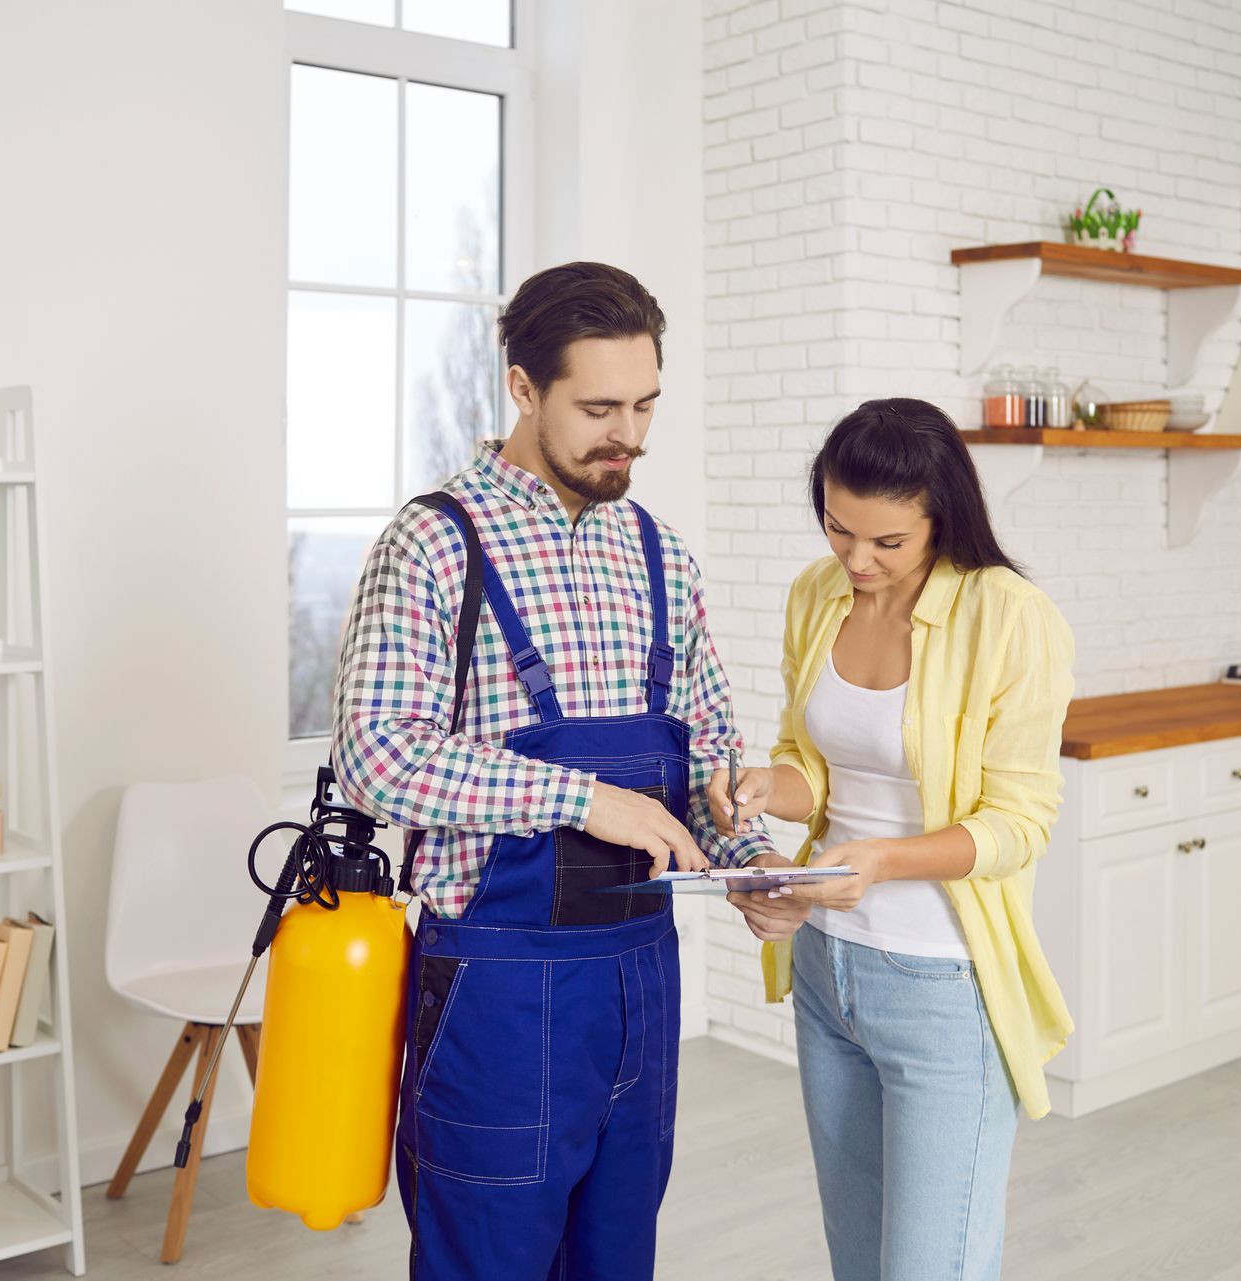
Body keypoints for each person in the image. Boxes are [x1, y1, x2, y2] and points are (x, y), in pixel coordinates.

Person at [330, 261, 776, 1280]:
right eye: (600, 407)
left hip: (640, 984)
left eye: (647, 404)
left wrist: (751, 864)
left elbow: (707, 756)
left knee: (617, 1262)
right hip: (498, 989)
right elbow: (375, 755)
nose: (630, 433)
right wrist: (580, 798)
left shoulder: (661, 556)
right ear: (524, 389)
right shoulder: (437, 543)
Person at [710, 397, 1076, 1281]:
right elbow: (816, 766)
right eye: (840, 530)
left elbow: (1019, 823)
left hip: (943, 983)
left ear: (939, 521)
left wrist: (876, 862)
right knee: (859, 1262)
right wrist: (767, 786)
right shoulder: (817, 593)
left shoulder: (1009, 616)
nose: (857, 560)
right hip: (827, 972)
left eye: (887, 543)